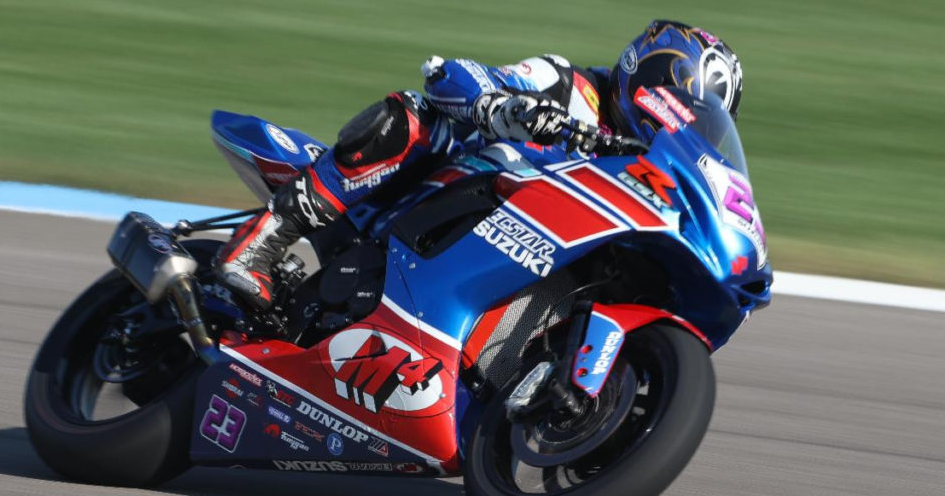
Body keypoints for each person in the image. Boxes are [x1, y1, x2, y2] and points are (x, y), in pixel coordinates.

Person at [216, 20, 744, 311]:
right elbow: (449, 76)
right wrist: (506, 106)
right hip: (424, 205)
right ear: (649, 71)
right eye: (681, 96)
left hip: (502, 260)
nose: (681, 114)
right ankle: (265, 239)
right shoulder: (566, 83)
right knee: (414, 116)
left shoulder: (647, 170)